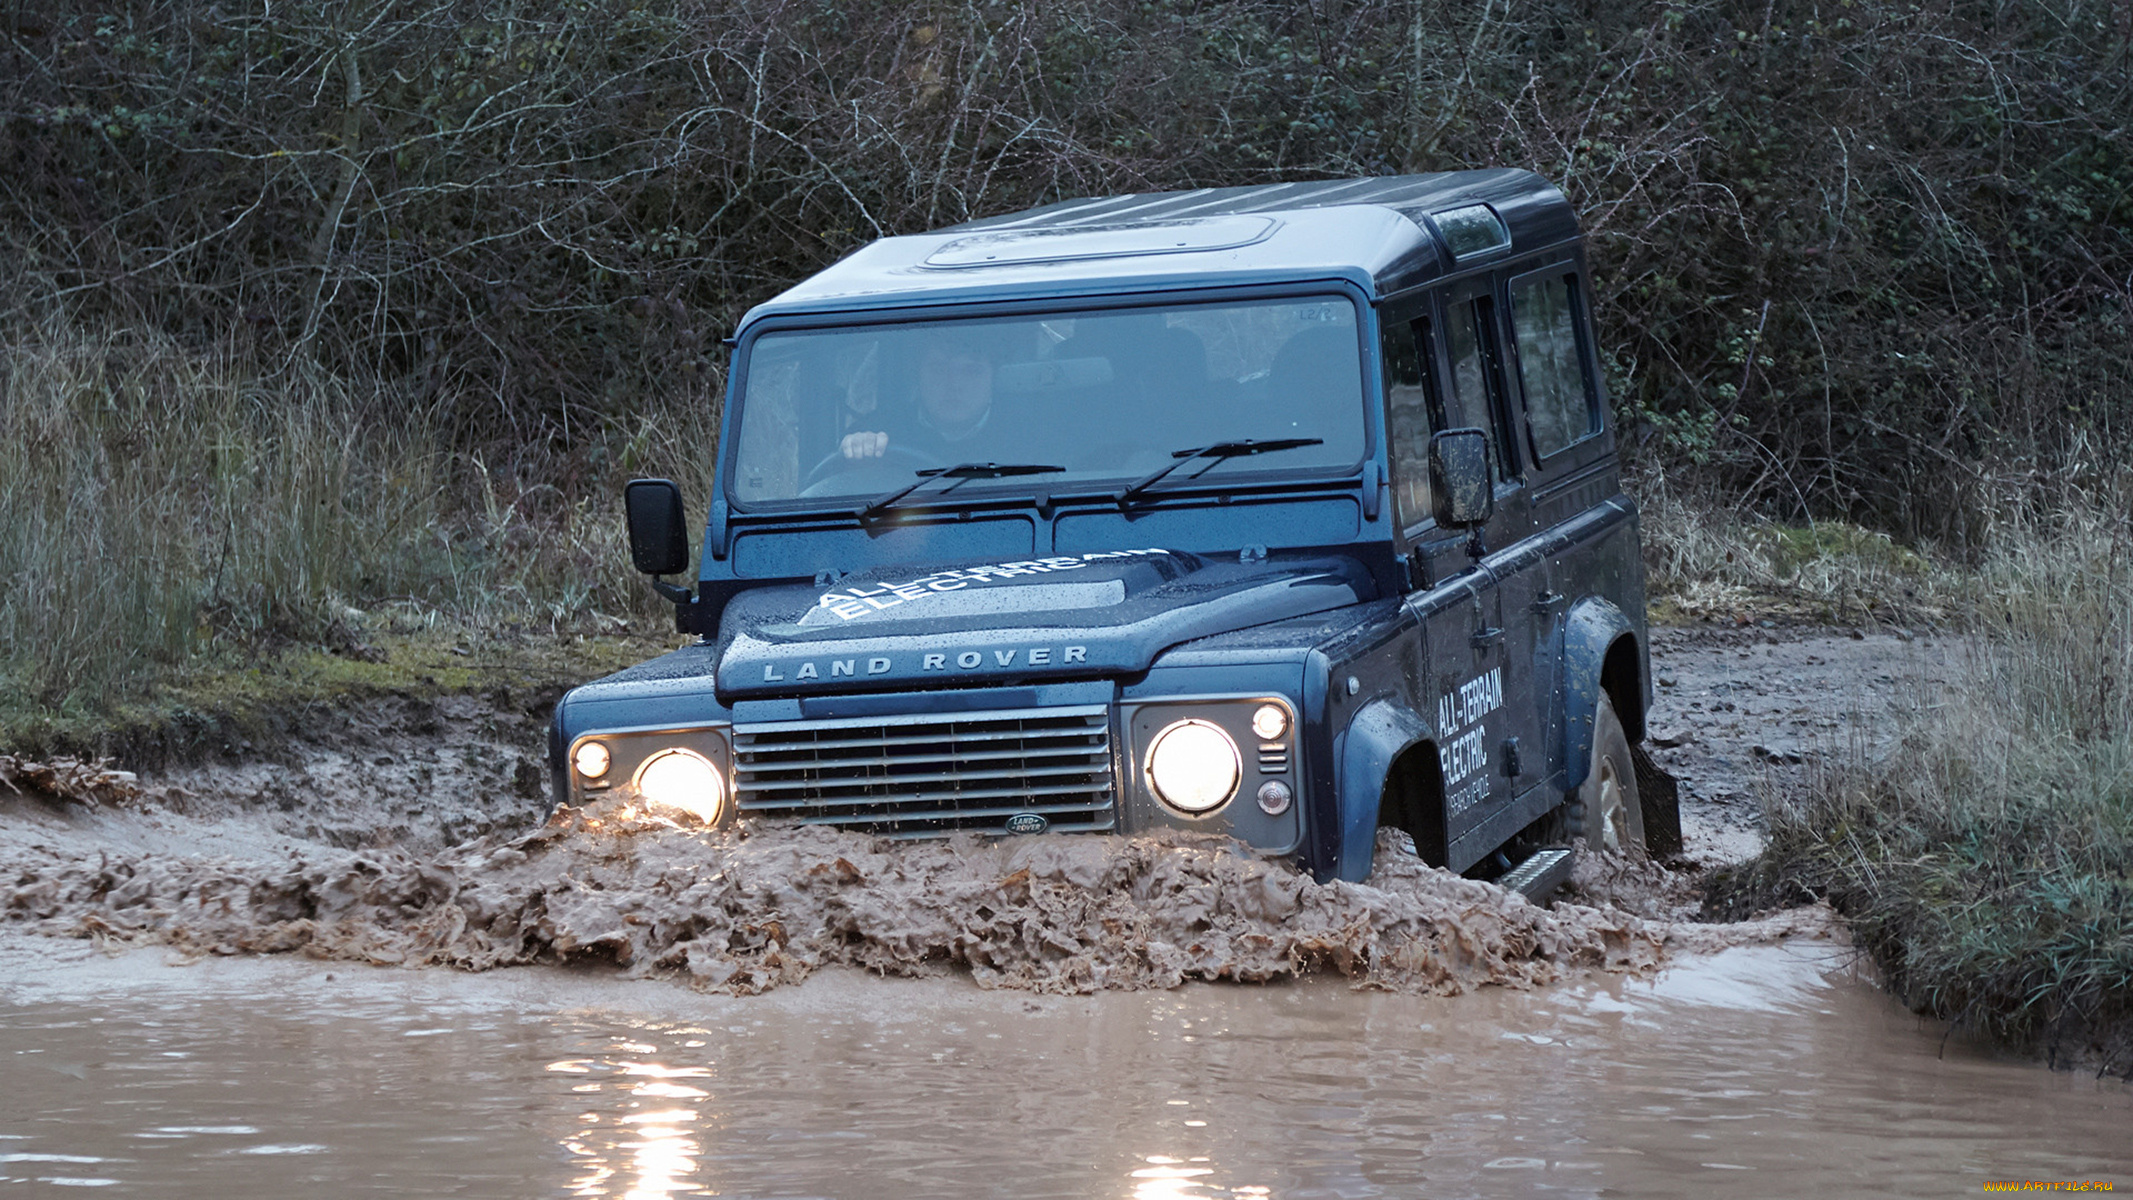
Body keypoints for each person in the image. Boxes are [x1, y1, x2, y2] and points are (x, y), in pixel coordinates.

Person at [839, 329, 998, 461]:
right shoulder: (877, 430)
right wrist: (856, 452)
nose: (954, 384)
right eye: (939, 369)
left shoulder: (1021, 432)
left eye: (971, 371)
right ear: (918, 376)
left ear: (993, 378)